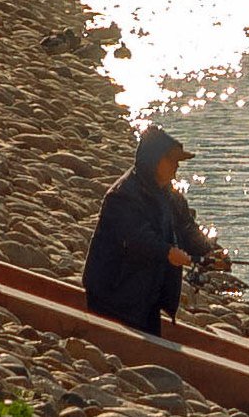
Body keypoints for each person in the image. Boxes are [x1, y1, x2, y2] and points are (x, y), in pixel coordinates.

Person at [80, 125, 231, 337]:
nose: (176, 166)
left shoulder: (169, 194)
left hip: (145, 295)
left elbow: (187, 229)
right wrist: (169, 253)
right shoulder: (123, 195)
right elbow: (138, 239)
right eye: (172, 160)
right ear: (154, 160)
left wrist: (209, 253)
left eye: (178, 161)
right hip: (112, 294)